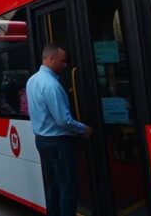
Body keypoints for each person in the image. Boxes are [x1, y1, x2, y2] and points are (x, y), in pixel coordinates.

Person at [26, 45, 91, 216]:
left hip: (41, 140)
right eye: (62, 61)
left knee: (53, 187)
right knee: (67, 188)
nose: (65, 65)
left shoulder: (32, 80)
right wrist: (83, 128)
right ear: (50, 59)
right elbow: (63, 120)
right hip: (58, 142)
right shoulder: (51, 85)